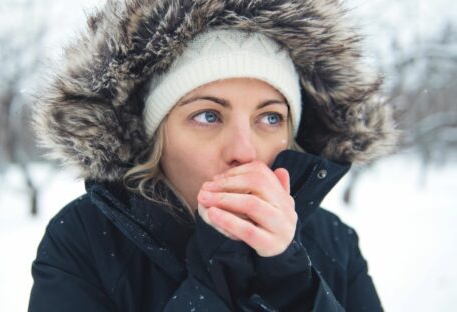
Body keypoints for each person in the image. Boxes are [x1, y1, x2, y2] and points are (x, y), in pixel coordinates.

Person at [28, 0, 398, 311]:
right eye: (208, 116)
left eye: (270, 117)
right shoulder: (85, 240)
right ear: (158, 136)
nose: (244, 151)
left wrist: (291, 280)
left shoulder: (333, 240)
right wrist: (216, 268)